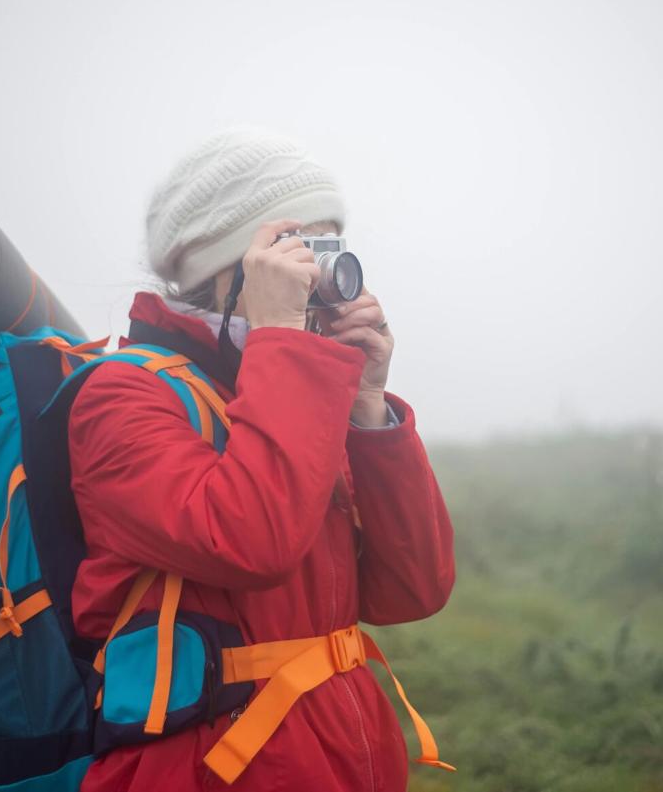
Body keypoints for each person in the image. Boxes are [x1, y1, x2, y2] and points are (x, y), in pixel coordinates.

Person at [66, 127, 455, 791]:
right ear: (224, 266)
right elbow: (251, 541)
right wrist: (283, 343)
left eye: (329, 248)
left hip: (340, 750)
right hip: (214, 768)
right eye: (296, 247)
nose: (317, 273)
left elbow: (412, 588)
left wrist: (367, 405)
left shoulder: (292, 392)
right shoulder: (122, 395)